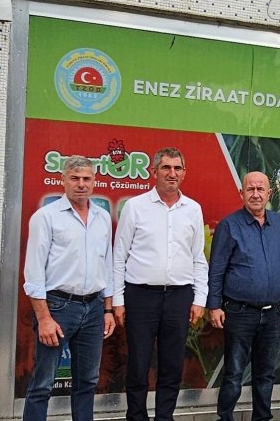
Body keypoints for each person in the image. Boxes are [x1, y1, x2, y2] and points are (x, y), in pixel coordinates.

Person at [113, 147, 209, 421]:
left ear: (184, 173)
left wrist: (199, 299)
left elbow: (198, 258)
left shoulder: (193, 209)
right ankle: (136, 417)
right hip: (141, 296)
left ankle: (164, 417)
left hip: (179, 297)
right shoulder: (135, 206)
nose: (172, 173)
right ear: (154, 171)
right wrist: (118, 300)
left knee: (172, 365)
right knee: (138, 364)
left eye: (177, 168)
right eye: (166, 168)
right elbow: (119, 256)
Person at [22, 155, 115, 421]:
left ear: (94, 181)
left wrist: (107, 309)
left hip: (94, 308)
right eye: (75, 178)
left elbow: (106, 265)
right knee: (43, 384)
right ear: (63, 180)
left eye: (86, 178)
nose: (81, 184)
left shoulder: (102, 217)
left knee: (87, 382)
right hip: (58, 308)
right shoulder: (46, 217)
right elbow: (34, 271)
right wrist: (44, 318)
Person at [206, 171, 280, 421]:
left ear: (269, 194)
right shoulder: (229, 226)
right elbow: (217, 268)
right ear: (241, 193)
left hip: (272, 314)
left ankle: (262, 417)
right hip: (239, 312)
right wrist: (214, 306)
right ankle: (225, 418)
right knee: (234, 372)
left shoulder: (279, 224)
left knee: (265, 373)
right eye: (250, 189)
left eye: (260, 189)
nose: (255, 194)